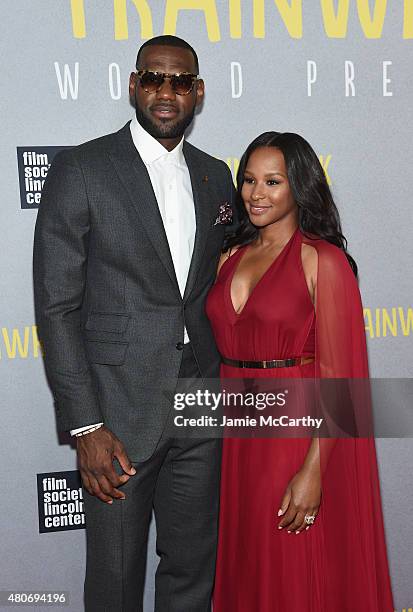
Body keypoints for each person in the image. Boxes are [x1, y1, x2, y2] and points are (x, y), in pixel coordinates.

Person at [33, 35, 235, 612]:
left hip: (202, 406)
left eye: (179, 81)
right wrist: (85, 426)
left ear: (197, 92)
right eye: (152, 78)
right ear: (132, 85)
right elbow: (58, 307)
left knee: (192, 574)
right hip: (117, 417)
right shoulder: (83, 167)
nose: (165, 92)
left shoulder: (215, 176)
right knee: (115, 583)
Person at [206, 132, 394, 610]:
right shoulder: (229, 259)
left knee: (293, 565)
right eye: (248, 180)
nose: (256, 193)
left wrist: (313, 469)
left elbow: (341, 378)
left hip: (296, 434)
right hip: (238, 432)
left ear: (300, 187)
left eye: (273, 181)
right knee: (250, 564)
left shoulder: (322, 261)